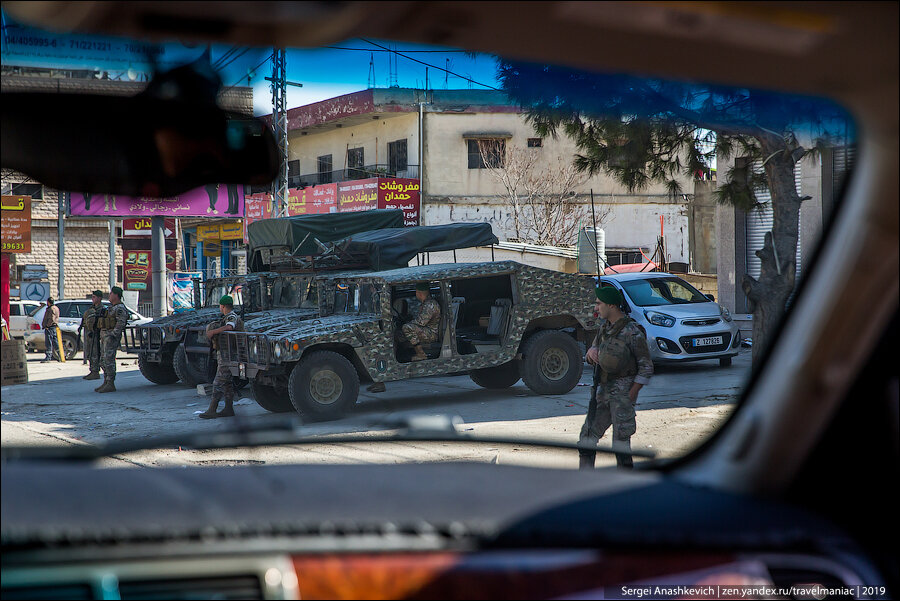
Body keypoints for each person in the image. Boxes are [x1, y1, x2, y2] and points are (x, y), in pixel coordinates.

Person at [579, 286, 653, 470]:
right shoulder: (604, 329)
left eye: (599, 303)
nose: (596, 308)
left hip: (622, 394)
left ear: (611, 305)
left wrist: (632, 393)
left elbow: (646, 366)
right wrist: (591, 352)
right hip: (602, 391)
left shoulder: (632, 331)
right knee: (587, 437)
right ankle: (584, 480)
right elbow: (595, 353)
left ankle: (625, 481)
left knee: (620, 442)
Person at [199, 295, 244, 419]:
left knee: (218, 382)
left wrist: (213, 332)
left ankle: (212, 409)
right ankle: (228, 409)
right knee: (227, 383)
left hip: (230, 354)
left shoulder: (231, 316)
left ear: (223, 306)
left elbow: (230, 327)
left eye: (220, 306)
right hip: (225, 353)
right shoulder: (226, 317)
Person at [96, 286, 129, 393]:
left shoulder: (120, 308)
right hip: (105, 337)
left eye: (111, 294)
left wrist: (113, 334)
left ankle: (110, 383)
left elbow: (121, 323)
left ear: (116, 295)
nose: (109, 295)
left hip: (111, 338)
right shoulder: (111, 307)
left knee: (109, 359)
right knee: (103, 360)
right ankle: (106, 381)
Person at [78, 290, 105, 380]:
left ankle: (95, 371)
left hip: (96, 335)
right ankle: (92, 370)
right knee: (89, 352)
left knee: (95, 353)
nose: (92, 299)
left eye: (94, 297)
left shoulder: (102, 309)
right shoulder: (91, 308)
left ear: (99, 298)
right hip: (89, 333)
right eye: (92, 297)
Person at [41, 298, 61, 363]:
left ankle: (48, 357)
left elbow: (51, 319)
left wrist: (47, 326)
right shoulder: (56, 308)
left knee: (48, 342)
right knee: (55, 342)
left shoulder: (51, 309)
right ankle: (60, 356)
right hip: (54, 327)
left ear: (48, 302)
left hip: (50, 328)